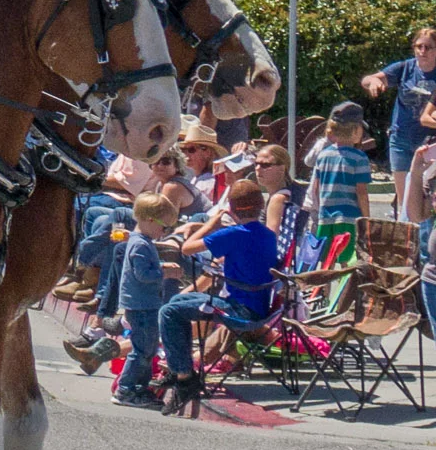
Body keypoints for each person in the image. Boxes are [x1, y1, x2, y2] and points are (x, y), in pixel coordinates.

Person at [156, 180, 281, 408]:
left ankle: (184, 376)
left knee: (169, 311)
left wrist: (211, 224)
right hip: (259, 306)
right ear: (261, 207)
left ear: (231, 210)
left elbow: (186, 248)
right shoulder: (267, 234)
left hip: (239, 310)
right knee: (178, 302)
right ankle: (181, 367)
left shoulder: (233, 233)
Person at [110, 191, 182, 408]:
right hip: (141, 305)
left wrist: (160, 267)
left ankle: (140, 388)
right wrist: (164, 273)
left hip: (145, 303)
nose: (164, 232)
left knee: (148, 348)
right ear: (150, 220)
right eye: (164, 227)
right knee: (142, 349)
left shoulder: (142, 241)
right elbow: (143, 275)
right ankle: (126, 388)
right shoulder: (140, 245)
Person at [360, 26, 436, 194]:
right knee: (405, 198)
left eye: (428, 47)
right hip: (401, 139)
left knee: (426, 196)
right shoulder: (405, 68)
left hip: (429, 142)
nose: (423, 51)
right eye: (419, 46)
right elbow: (368, 79)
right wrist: (373, 82)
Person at [301, 100, 376, 230]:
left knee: (325, 250)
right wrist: (366, 219)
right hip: (349, 219)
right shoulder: (359, 158)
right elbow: (361, 192)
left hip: (324, 218)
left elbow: (316, 187)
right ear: (356, 130)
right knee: (346, 250)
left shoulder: (323, 155)